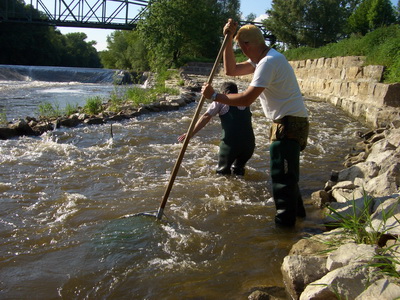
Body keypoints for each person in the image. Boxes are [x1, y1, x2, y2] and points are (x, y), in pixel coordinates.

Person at [201, 19, 309, 227]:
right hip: (290, 122)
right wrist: (228, 41)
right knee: (288, 178)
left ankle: (284, 232)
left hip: (288, 125)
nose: (241, 52)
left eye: (240, 48)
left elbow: (245, 99)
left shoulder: (268, 62)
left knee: (282, 181)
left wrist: (215, 95)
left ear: (247, 46)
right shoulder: (265, 58)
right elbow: (230, 70)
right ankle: (300, 219)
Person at [178, 81, 255, 176]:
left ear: (223, 93)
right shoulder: (245, 101)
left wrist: (190, 134)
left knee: (222, 173)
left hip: (230, 145)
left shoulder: (220, 102)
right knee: (238, 170)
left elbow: (206, 117)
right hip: (249, 144)